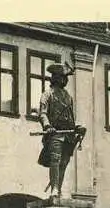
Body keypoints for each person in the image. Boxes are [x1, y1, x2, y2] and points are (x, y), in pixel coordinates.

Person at [38, 62, 86, 197]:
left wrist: (77, 127)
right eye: (63, 77)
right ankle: (54, 189)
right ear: (56, 78)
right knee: (55, 160)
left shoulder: (68, 97)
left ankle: (58, 188)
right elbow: (42, 113)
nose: (66, 80)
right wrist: (47, 126)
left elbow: (70, 118)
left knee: (64, 162)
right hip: (55, 134)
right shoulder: (47, 94)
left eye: (66, 78)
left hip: (68, 135)